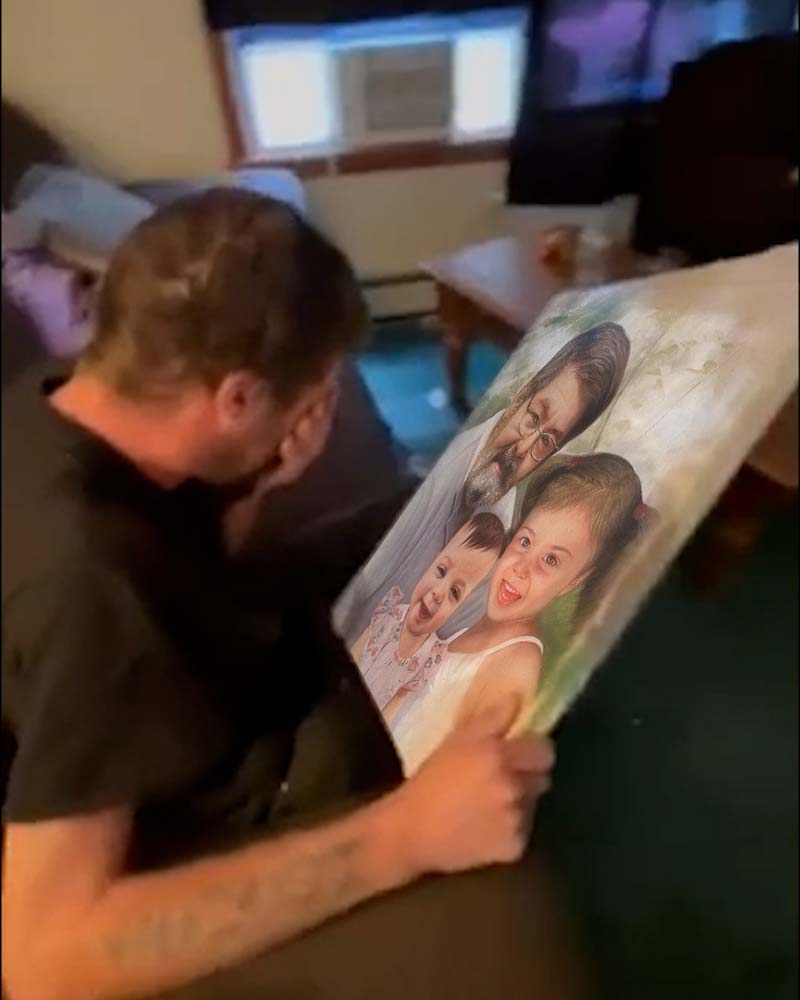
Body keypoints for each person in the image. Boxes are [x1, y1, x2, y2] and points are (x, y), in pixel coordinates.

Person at [1, 189, 554, 1000]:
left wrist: (261, 475)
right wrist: (406, 836)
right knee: (484, 638)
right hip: (216, 772)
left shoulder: (52, 399)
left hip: (199, 649)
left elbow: (180, 555)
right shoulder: (90, 586)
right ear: (235, 398)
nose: (324, 410)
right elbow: (43, 958)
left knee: (436, 511)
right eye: (317, 392)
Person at [335, 323, 631, 644]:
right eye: (533, 418)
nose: (521, 448)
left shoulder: (500, 547)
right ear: (524, 393)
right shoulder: (418, 470)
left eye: (546, 440)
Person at [389, 453, 651, 774]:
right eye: (525, 540)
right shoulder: (476, 627)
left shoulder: (516, 666)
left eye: (551, 561)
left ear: (576, 580)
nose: (521, 568)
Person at [351, 512, 506, 712]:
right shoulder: (390, 615)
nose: (438, 593)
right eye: (441, 571)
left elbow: (393, 707)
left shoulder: (429, 659)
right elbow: (355, 653)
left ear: (460, 605)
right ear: (432, 563)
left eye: (454, 592)